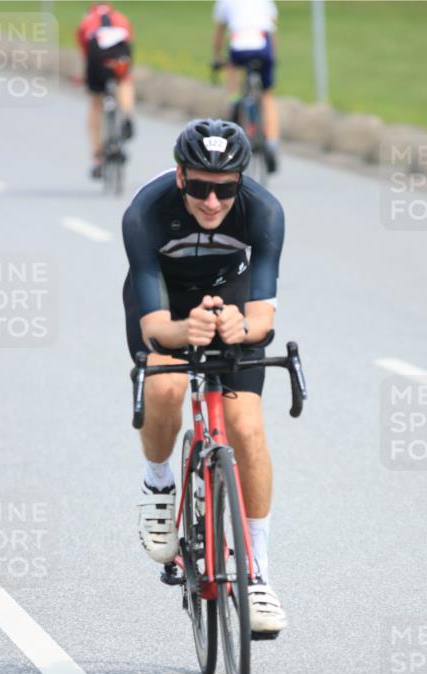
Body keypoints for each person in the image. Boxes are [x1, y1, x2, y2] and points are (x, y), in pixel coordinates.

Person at [122, 119, 287, 633]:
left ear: (241, 182)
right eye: (198, 188)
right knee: (168, 383)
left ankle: (256, 572)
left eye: (224, 190)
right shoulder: (145, 214)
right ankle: (158, 484)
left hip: (229, 298)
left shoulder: (264, 211)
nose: (212, 202)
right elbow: (153, 325)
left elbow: (265, 314)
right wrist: (181, 330)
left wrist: (241, 326)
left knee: (247, 426)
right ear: (179, 178)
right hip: (167, 304)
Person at [212, 0, 280, 173]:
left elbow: (219, 33)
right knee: (266, 95)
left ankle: (235, 100)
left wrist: (217, 57)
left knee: (232, 66)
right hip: (263, 42)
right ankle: (272, 142)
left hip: (239, 42)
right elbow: (273, 31)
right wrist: (273, 58)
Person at [76, 2, 135, 179]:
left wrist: (85, 78)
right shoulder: (122, 19)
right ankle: (126, 116)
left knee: (95, 103)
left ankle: (97, 158)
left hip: (96, 54)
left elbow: (85, 54)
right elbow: (129, 41)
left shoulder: (86, 21)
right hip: (120, 51)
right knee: (124, 81)